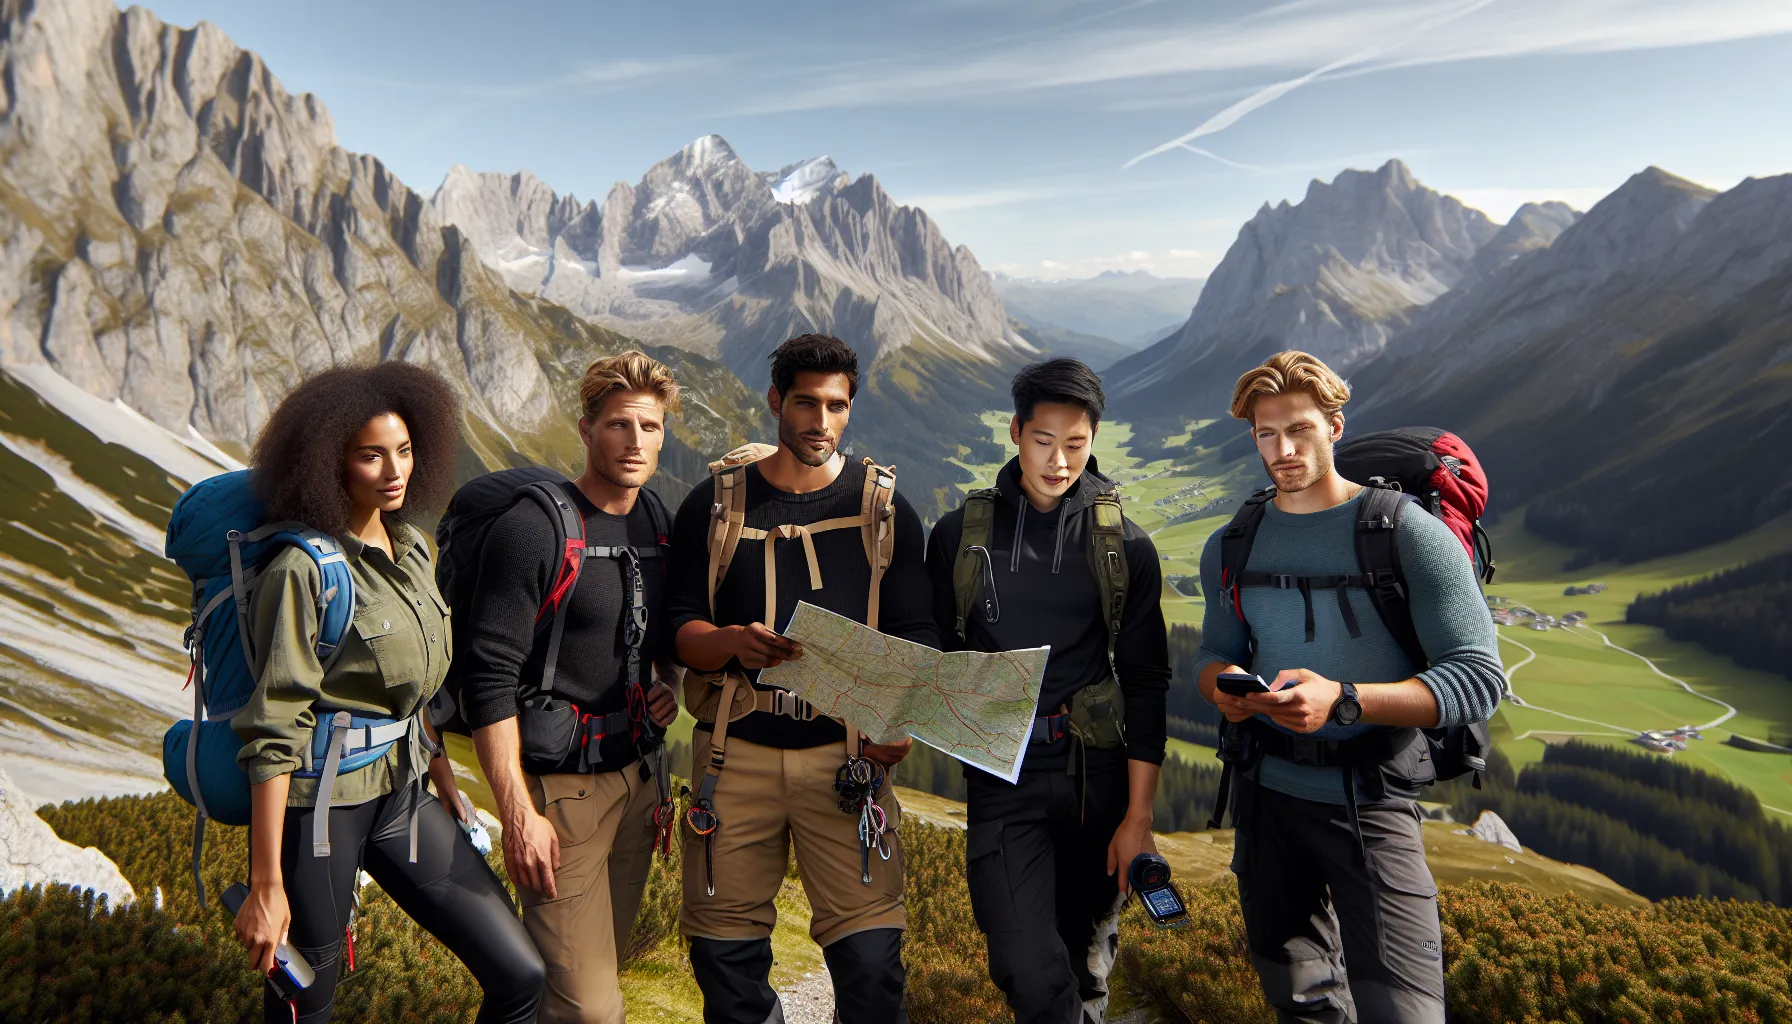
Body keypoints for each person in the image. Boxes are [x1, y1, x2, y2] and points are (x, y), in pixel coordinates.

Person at [1193, 351, 1506, 1024]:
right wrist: (1223, 687)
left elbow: (1479, 679)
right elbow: (1215, 651)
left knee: (1406, 1013)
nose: (1282, 449)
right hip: (1266, 800)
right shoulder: (1231, 545)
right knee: (1298, 1001)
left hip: (1372, 802)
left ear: (1335, 426)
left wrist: (1346, 698)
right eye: (1266, 434)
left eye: (1299, 429)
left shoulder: (1408, 537)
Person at [230, 362, 545, 1023]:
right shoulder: (302, 572)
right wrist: (266, 885)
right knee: (305, 1000)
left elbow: (418, 696)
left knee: (521, 973)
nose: (394, 469)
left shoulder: (414, 548)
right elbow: (273, 730)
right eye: (370, 455)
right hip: (322, 811)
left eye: (403, 450)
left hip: (403, 795)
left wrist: (451, 792)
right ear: (328, 463)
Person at [666, 333, 939, 1024]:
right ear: (774, 403)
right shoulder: (716, 505)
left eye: (837, 405)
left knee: (873, 966)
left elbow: (918, 635)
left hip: (846, 761)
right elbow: (679, 631)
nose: (821, 421)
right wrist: (731, 641)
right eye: (805, 403)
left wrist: (900, 725)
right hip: (733, 757)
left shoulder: (885, 511)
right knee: (725, 964)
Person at [925, 358, 1170, 1024]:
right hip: (1003, 776)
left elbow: (1148, 682)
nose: (1059, 461)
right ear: (1015, 432)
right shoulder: (956, 537)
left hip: (1098, 776)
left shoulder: (1127, 548)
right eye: (1043, 441)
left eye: (1076, 444)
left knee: (1088, 968)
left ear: (1093, 441)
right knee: (1026, 967)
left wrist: (1138, 821)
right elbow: (934, 656)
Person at [457, 351, 683, 1024]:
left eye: (650, 426)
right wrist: (518, 812)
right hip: (563, 794)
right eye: (618, 424)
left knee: (597, 975)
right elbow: (488, 677)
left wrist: (664, 684)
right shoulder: (536, 530)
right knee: (586, 1007)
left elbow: (655, 630)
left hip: (640, 780)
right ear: (585, 429)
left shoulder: (657, 525)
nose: (635, 441)